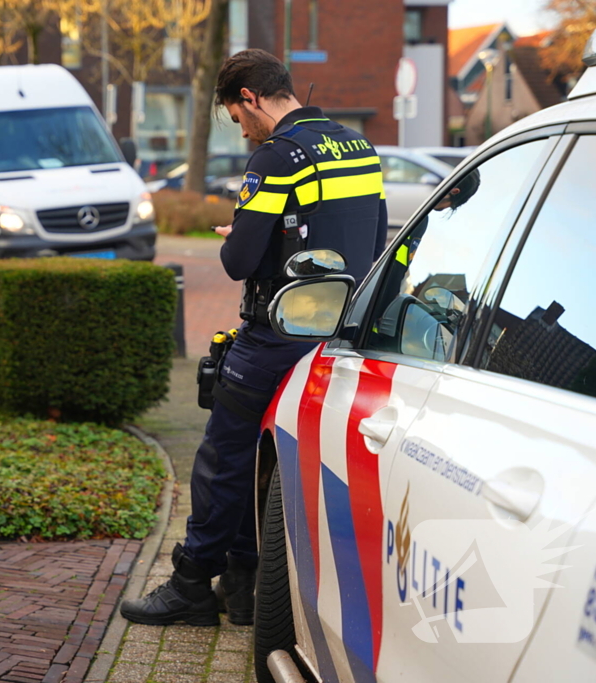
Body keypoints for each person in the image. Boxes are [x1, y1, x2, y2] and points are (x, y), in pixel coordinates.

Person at [120, 49, 389, 627]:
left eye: (238, 119)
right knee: (260, 452)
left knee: (222, 455)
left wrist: (240, 227)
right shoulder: (357, 147)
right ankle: (242, 585)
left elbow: (238, 261)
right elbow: (364, 236)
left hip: (279, 332)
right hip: (336, 335)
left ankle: (191, 583)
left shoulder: (277, 157)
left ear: (250, 98)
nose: (242, 132)